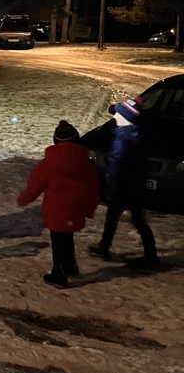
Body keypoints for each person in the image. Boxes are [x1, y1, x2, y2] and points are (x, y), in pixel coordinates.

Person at [18, 121, 101, 288]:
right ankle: (70, 266)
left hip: (57, 210)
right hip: (76, 208)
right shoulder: (84, 160)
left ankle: (59, 275)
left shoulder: (50, 161)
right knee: (67, 237)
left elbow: (36, 183)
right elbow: (94, 186)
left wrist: (24, 198)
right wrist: (90, 209)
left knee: (58, 242)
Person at [88, 98, 160, 269]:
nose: (116, 117)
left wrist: (113, 183)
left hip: (123, 187)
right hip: (133, 186)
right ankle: (106, 248)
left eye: (119, 115)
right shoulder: (133, 133)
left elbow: (118, 165)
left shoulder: (124, 140)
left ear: (126, 118)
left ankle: (150, 257)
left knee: (125, 219)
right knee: (131, 219)